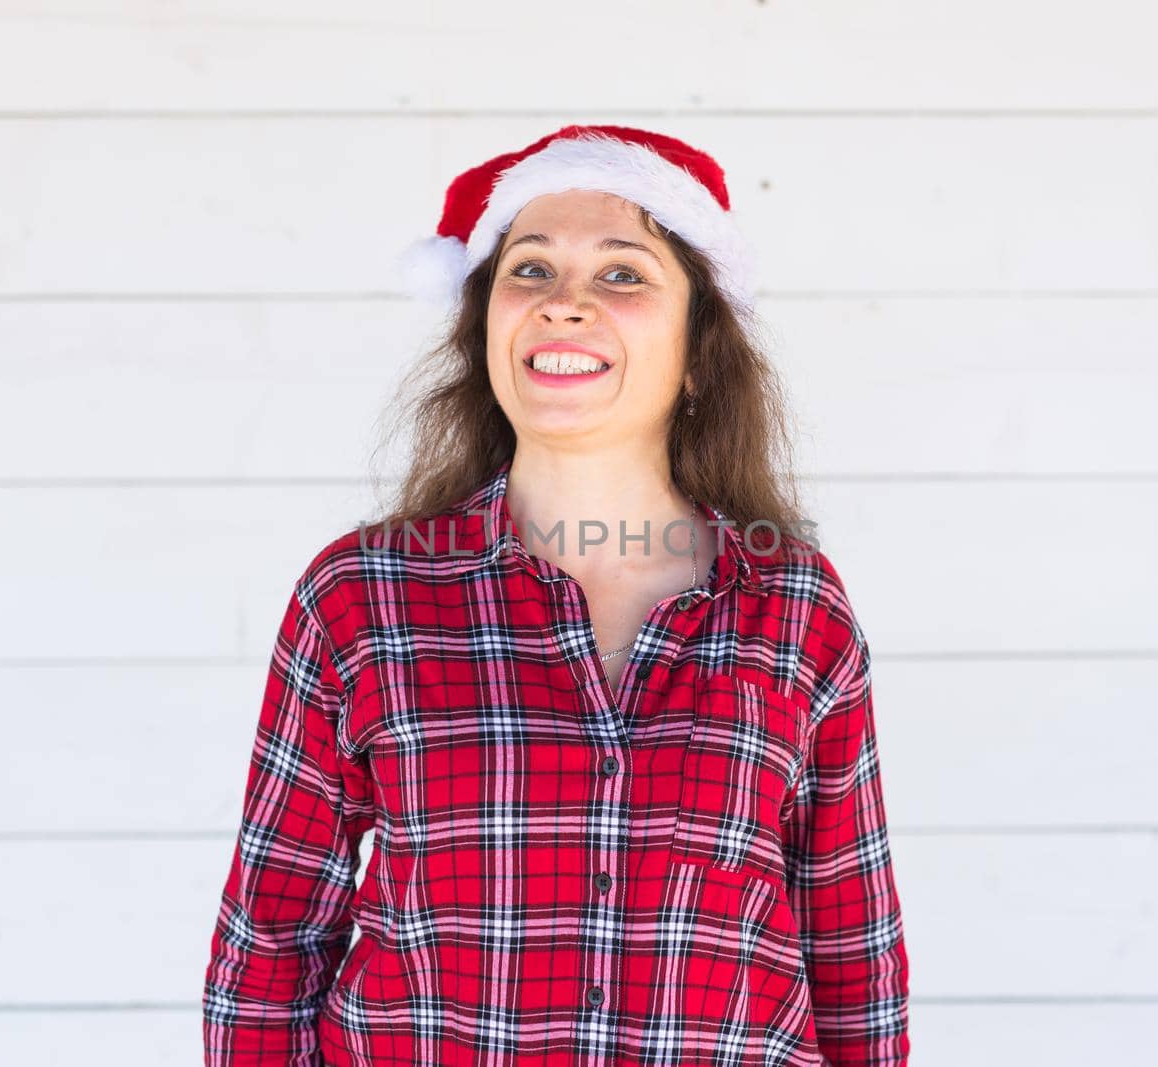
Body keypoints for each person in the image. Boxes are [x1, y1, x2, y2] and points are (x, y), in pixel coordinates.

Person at [202, 124, 911, 1066]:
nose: (565, 305)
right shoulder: (360, 597)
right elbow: (272, 943)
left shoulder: (793, 605)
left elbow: (851, 949)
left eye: (623, 275)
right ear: (485, 329)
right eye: (528, 271)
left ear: (699, 356)